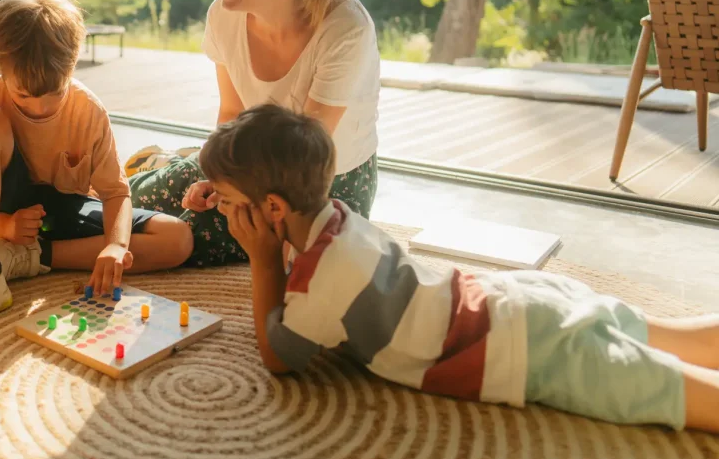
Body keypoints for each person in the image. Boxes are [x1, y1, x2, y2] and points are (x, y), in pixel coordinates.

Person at [200, 104, 719, 434]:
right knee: (681, 338)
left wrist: (263, 259)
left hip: (519, 348)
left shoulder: (321, 279)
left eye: (226, 200)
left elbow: (279, 357)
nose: (222, 210)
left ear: (272, 209)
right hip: (519, 299)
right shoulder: (337, 218)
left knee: (681, 393)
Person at [0, 0, 194, 330]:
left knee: (178, 238)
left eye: (55, 92)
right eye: (23, 95)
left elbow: (115, 192)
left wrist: (114, 246)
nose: (41, 107)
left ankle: (28, 260)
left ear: (74, 61)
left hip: (64, 213)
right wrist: (3, 225)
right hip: (2, 216)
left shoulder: (88, 110)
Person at [128, 0, 381, 267]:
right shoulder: (223, 14)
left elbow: (303, 157)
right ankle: (164, 166)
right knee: (131, 199)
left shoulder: (346, 29)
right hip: (249, 161)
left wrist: (229, 189)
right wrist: (215, 177)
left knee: (184, 235)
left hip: (318, 183)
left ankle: (168, 164)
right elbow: (231, 114)